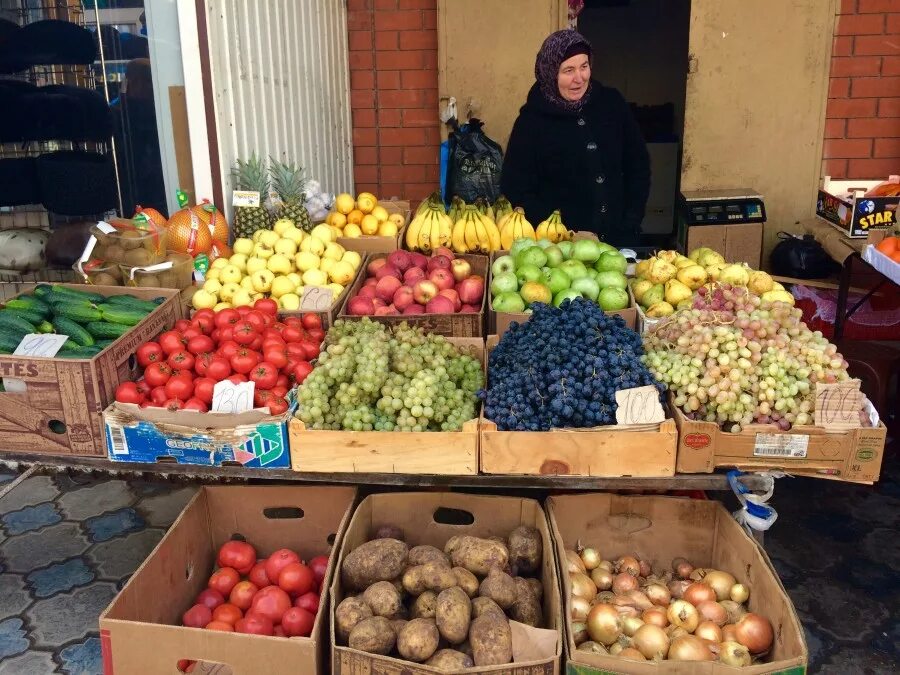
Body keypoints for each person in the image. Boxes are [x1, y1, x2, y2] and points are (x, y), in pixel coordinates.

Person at [501, 30, 651, 246]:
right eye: (568, 70)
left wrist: (631, 218)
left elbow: (638, 165)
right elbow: (516, 188)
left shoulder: (611, 104)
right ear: (550, 73)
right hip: (561, 250)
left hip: (619, 240)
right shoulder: (531, 122)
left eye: (584, 66)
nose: (579, 78)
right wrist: (553, 232)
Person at [111, 58, 167, 217]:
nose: (148, 87)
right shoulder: (119, 110)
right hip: (130, 182)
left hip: (153, 182)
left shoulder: (155, 108)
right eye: (146, 82)